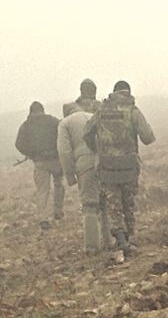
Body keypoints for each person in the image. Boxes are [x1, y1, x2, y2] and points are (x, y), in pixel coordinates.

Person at [84, 80, 155, 262]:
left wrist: (97, 149)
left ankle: (120, 239)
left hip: (107, 165)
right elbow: (148, 137)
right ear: (128, 92)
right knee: (127, 203)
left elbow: (86, 132)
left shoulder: (102, 110)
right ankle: (127, 240)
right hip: (129, 165)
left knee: (113, 204)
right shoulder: (133, 111)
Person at [57, 78, 109, 256]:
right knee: (105, 202)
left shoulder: (65, 123)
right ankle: (109, 241)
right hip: (104, 161)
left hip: (84, 164)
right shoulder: (94, 115)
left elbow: (64, 152)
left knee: (89, 205)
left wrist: (70, 176)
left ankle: (92, 248)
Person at [15, 101, 65, 228]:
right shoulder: (53, 121)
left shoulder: (26, 126)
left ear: (31, 112)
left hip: (40, 162)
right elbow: (63, 134)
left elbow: (19, 144)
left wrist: (31, 154)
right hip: (56, 159)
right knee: (59, 185)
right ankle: (58, 212)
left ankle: (43, 219)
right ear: (42, 110)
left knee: (43, 190)